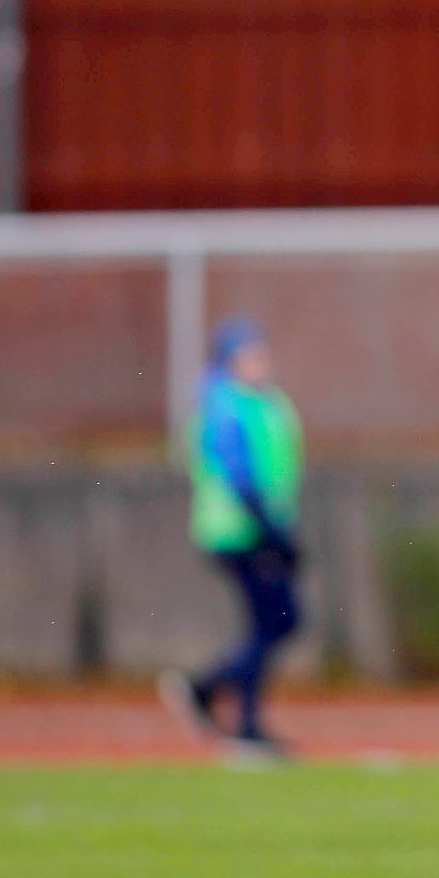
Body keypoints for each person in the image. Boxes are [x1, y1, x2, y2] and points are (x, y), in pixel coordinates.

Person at [160, 317, 304, 758]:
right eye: (250, 355)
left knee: (270, 623)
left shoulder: (259, 402)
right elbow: (239, 476)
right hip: (238, 532)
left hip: (259, 530)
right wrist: (272, 532)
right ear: (229, 360)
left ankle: (236, 713)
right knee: (277, 620)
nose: (260, 362)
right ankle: (222, 704)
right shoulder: (224, 405)